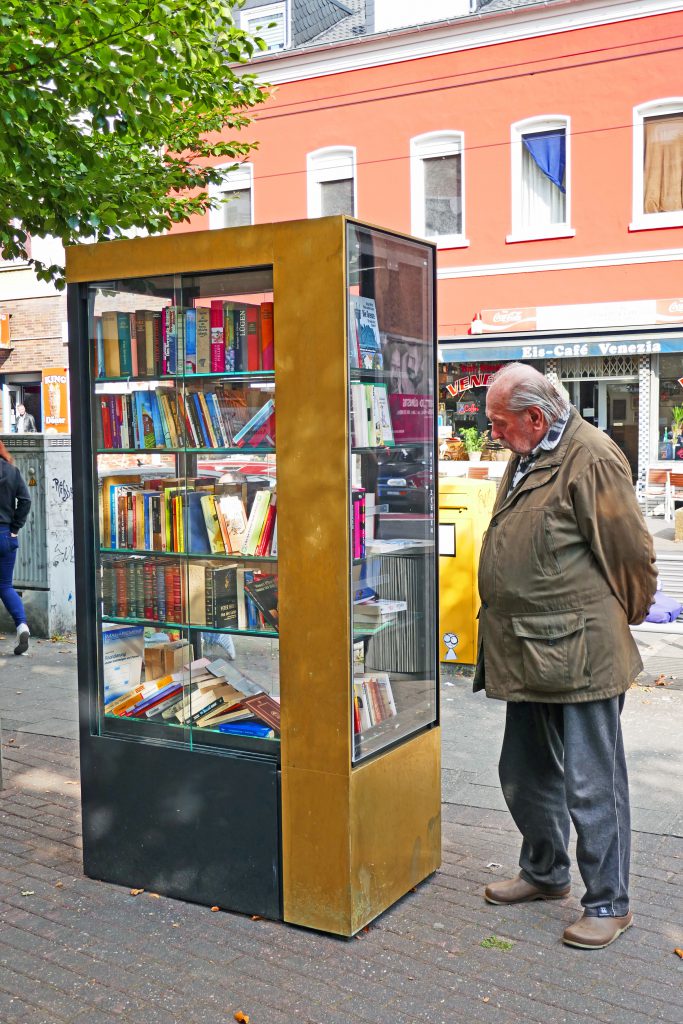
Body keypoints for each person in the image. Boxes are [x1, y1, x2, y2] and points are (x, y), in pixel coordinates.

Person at [475, 363, 656, 950]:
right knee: (525, 774)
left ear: (534, 416)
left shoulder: (592, 457)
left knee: (591, 784)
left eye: (498, 423)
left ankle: (609, 902)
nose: (492, 433)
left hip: (579, 651)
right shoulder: (530, 449)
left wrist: (612, 620)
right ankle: (545, 872)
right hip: (527, 646)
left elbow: (630, 555)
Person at [0, 440, 32, 654]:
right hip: (5, 535)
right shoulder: (12, 471)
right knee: (5, 586)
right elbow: (26, 500)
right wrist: (15, 528)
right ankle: (22, 626)